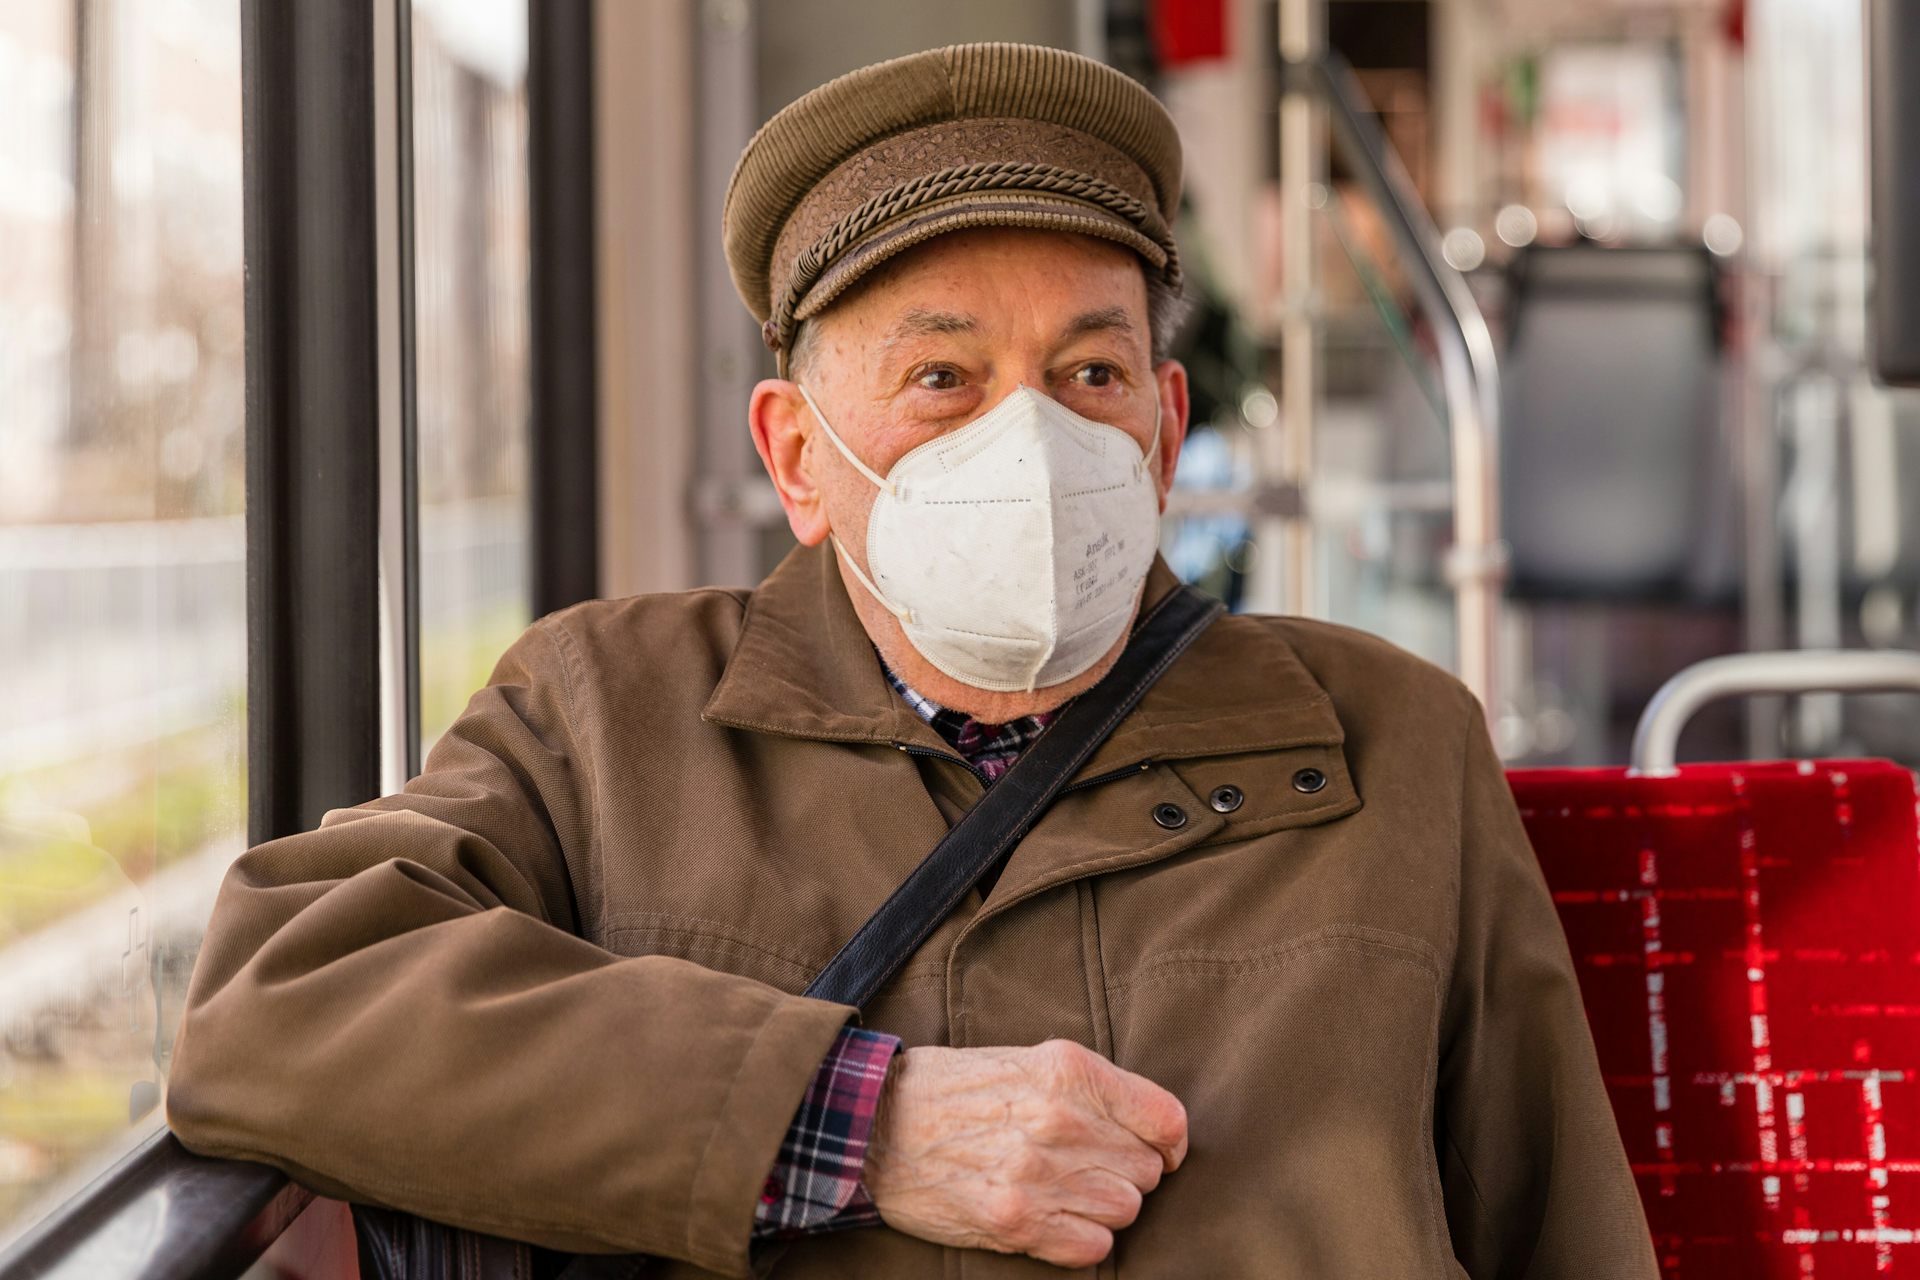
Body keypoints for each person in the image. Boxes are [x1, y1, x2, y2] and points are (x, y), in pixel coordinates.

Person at [167, 42, 1657, 1278]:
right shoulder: (604, 713)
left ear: (1164, 420)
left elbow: (1560, 1229)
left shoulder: (1395, 734)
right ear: (796, 455)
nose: (1034, 437)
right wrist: (850, 1121)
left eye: (1090, 372)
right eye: (942, 378)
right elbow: (276, 1001)